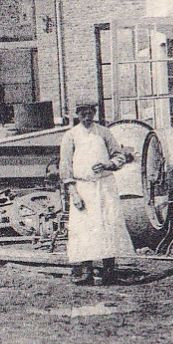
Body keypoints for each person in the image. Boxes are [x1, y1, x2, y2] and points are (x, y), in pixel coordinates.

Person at [58, 101, 134, 285]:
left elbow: (119, 156)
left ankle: (109, 271)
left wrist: (108, 164)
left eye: (90, 113)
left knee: (108, 224)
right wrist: (74, 193)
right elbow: (65, 167)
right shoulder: (71, 136)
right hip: (83, 188)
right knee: (85, 228)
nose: (87, 117)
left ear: (94, 113)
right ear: (77, 115)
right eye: (83, 114)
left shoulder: (104, 132)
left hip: (105, 186)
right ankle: (87, 272)